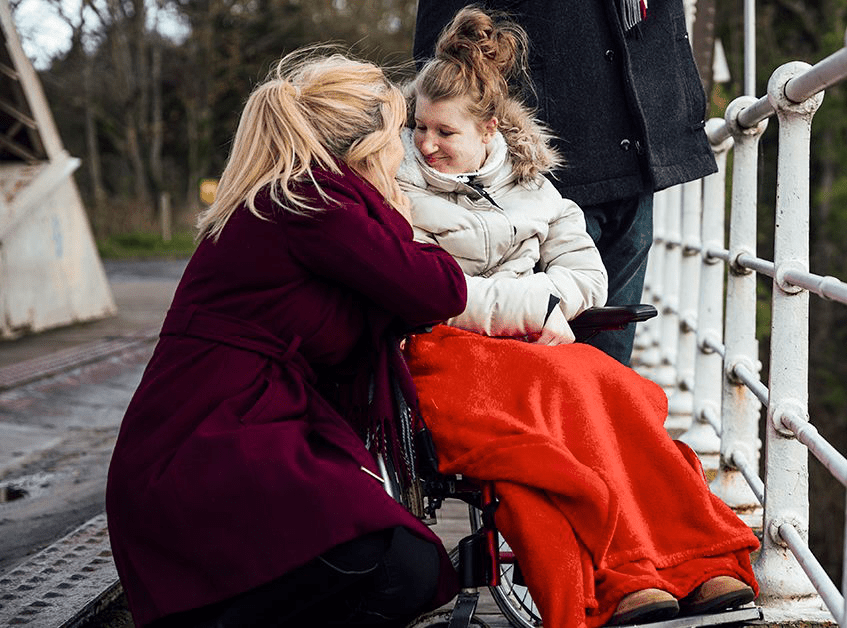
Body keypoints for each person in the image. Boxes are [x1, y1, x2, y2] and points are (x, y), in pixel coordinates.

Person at [396, 9, 758, 628]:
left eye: (445, 131)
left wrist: (546, 302)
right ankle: (624, 575)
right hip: (446, 352)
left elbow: (588, 275)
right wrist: (535, 306)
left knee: (621, 391)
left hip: (532, 345)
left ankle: (695, 559)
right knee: (566, 395)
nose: (427, 144)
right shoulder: (397, 190)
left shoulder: (532, 183)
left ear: (488, 130)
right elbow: (428, 287)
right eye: (419, 127)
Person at [105, 49, 468, 628]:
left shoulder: (295, 195)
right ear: (370, 146)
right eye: (400, 133)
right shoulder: (313, 201)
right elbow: (439, 288)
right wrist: (403, 217)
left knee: (404, 563)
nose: (407, 150)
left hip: (216, 437)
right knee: (401, 565)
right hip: (208, 449)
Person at [414, 0, 718, 365]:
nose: (426, 141)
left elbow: (584, 278)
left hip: (639, 137)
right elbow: (440, 69)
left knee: (609, 368)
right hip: (549, 146)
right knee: (543, 364)